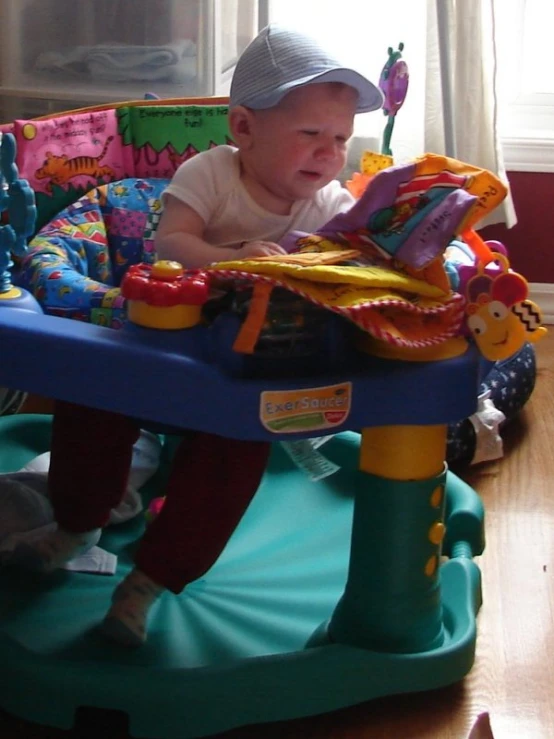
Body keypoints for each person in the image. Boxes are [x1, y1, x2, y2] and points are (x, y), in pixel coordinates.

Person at [10, 23, 383, 646]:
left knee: (234, 455)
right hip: (159, 343)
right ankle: (75, 527)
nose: (329, 152)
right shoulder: (210, 174)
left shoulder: (327, 206)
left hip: (237, 370)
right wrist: (233, 255)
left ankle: (150, 582)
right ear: (243, 129)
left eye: (340, 138)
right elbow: (171, 243)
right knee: (88, 409)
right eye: (311, 134)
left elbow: (350, 264)